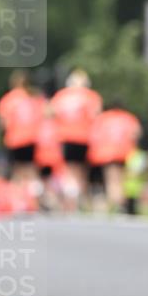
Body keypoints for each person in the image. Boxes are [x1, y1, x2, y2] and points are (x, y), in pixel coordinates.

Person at [50, 69, 102, 209]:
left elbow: (51, 112)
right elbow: (96, 116)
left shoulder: (61, 96)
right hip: (84, 138)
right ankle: (79, 199)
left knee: (69, 170)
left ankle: (70, 200)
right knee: (82, 170)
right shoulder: (91, 96)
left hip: (66, 137)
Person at [87, 100, 143, 211]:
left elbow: (94, 136)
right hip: (126, 153)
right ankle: (123, 202)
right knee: (123, 179)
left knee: (113, 180)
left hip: (108, 153)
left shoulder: (103, 118)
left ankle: (119, 204)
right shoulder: (128, 118)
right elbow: (137, 134)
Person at [0, 70, 46, 188]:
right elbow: (42, 116)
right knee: (31, 168)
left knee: (17, 168)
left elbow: (3, 122)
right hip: (31, 137)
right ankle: (32, 194)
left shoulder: (8, 99)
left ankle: (19, 195)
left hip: (14, 139)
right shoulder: (33, 97)